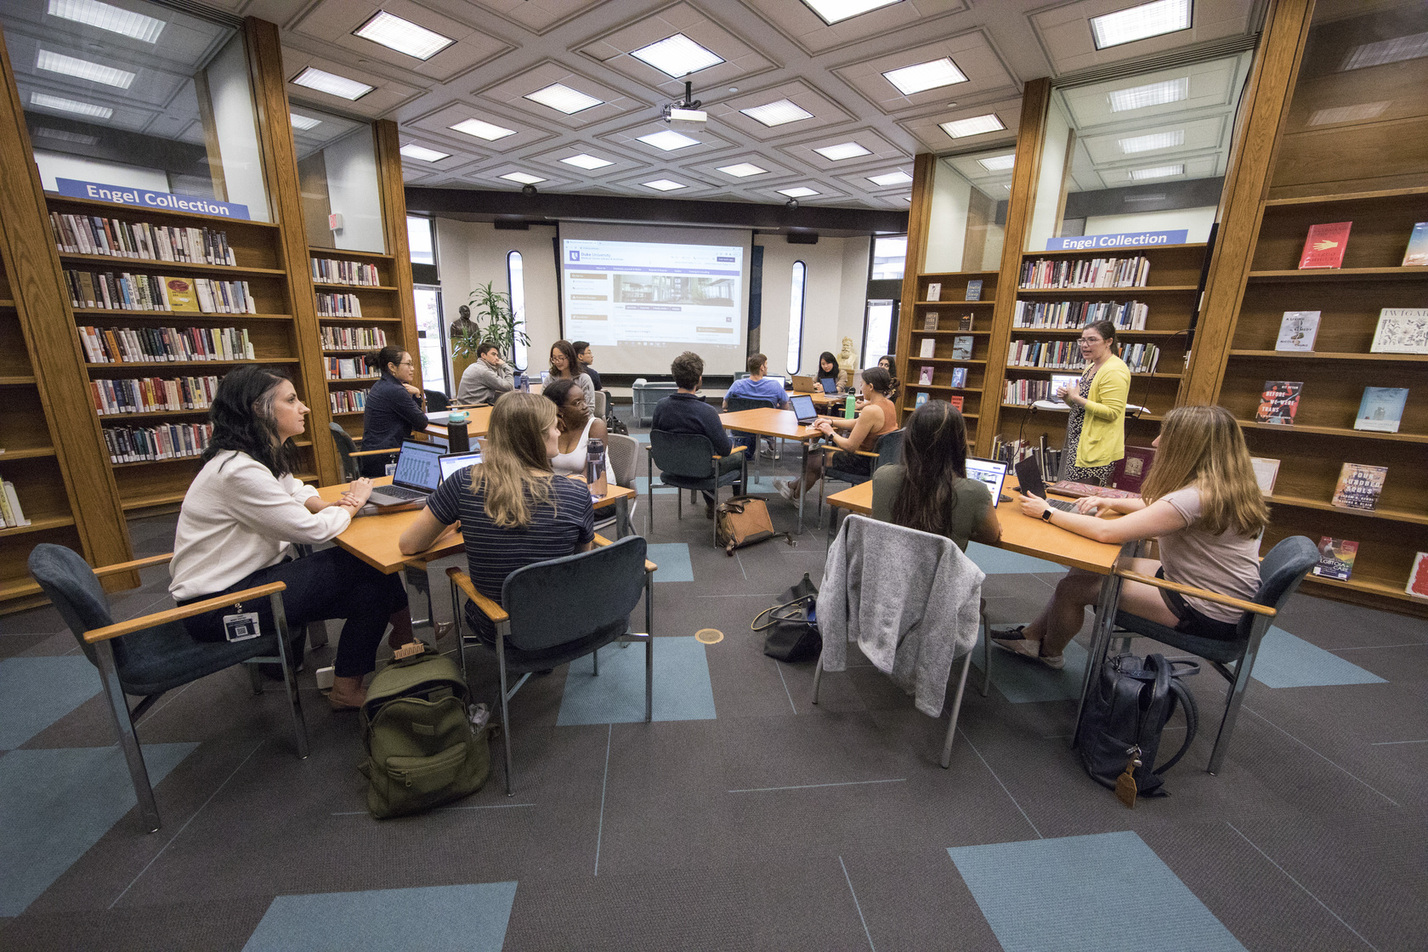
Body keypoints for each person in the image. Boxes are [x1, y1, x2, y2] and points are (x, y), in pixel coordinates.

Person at [169, 366, 415, 710]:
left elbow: (293, 489)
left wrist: (327, 504)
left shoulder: (253, 458)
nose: (304, 407)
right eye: (291, 400)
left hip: (248, 582)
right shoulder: (238, 472)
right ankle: (402, 641)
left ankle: (352, 683)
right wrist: (352, 504)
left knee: (370, 584)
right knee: (364, 566)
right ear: (259, 409)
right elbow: (312, 530)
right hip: (217, 606)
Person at [991, 405, 1269, 670]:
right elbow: (1159, 507)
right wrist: (1115, 503)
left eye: (1166, 436)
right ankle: (1031, 635)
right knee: (1086, 567)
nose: (1157, 443)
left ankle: (1049, 654)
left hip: (1204, 609)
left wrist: (1048, 512)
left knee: (1071, 590)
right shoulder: (1222, 487)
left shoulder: (1193, 498)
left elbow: (1106, 532)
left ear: (1189, 447)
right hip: (1218, 594)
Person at [398, 391, 594, 646]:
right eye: (554, 427)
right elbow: (581, 562)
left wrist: (451, 524)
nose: (559, 432)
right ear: (535, 436)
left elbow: (409, 545)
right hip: (564, 625)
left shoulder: (464, 482)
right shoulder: (577, 493)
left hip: (498, 628)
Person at [872, 399, 1001, 551]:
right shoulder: (975, 493)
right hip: (942, 574)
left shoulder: (883, 477)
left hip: (886, 571)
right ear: (959, 443)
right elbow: (992, 536)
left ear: (909, 438)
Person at [775, 366, 899, 503]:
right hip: (878, 460)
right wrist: (831, 421)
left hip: (862, 461)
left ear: (870, 386)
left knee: (812, 461)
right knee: (816, 458)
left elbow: (850, 446)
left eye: (862, 384)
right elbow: (858, 422)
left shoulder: (871, 410)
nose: (861, 387)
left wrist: (831, 432)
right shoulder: (888, 404)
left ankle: (795, 496)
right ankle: (792, 487)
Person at [651, 350, 745, 517]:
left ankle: (711, 505)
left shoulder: (660, 406)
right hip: (701, 471)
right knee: (739, 458)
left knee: (702, 455)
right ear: (699, 379)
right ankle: (738, 507)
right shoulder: (707, 412)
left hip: (671, 467)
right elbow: (724, 449)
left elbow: (657, 438)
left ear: (675, 377)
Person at [1057, 320, 1130, 485]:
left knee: (1084, 502)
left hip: (1096, 451)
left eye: (1092, 340)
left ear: (1108, 341)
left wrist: (1077, 398)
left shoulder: (1114, 370)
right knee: (1072, 496)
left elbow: (1112, 412)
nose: (1084, 345)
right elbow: (1084, 408)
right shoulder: (1091, 367)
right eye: (1082, 340)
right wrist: (1068, 398)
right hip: (1080, 445)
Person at [360, 345, 429, 476]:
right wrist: (417, 395)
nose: (412, 369)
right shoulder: (395, 390)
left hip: (374, 455)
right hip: (385, 458)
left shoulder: (382, 384)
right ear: (392, 367)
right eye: (408, 364)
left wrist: (415, 395)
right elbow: (421, 422)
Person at [723, 353, 789, 458]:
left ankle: (734, 447)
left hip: (740, 426)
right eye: (766, 364)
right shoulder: (775, 385)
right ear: (762, 367)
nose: (767, 367)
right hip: (767, 428)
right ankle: (772, 449)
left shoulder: (737, 385)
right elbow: (785, 407)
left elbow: (725, 405)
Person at [542, 377, 610, 479]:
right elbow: (543, 469)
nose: (585, 406)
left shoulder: (596, 426)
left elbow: (592, 472)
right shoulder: (552, 429)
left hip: (598, 488)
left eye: (584, 400)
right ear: (559, 410)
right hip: (564, 487)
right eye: (577, 403)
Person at [456, 341, 514, 406]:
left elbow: (501, 387)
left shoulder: (474, 366)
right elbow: (509, 387)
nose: (497, 358)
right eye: (493, 354)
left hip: (468, 408)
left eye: (497, 355)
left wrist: (498, 368)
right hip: (474, 409)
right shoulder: (483, 371)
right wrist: (505, 366)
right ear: (483, 355)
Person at [549, 339, 595, 408]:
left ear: (570, 357)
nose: (557, 362)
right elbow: (544, 403)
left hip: (581, 417)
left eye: (561, 358)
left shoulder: (583, 379)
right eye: (554, 358)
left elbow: (589, 407)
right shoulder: (550, 378)